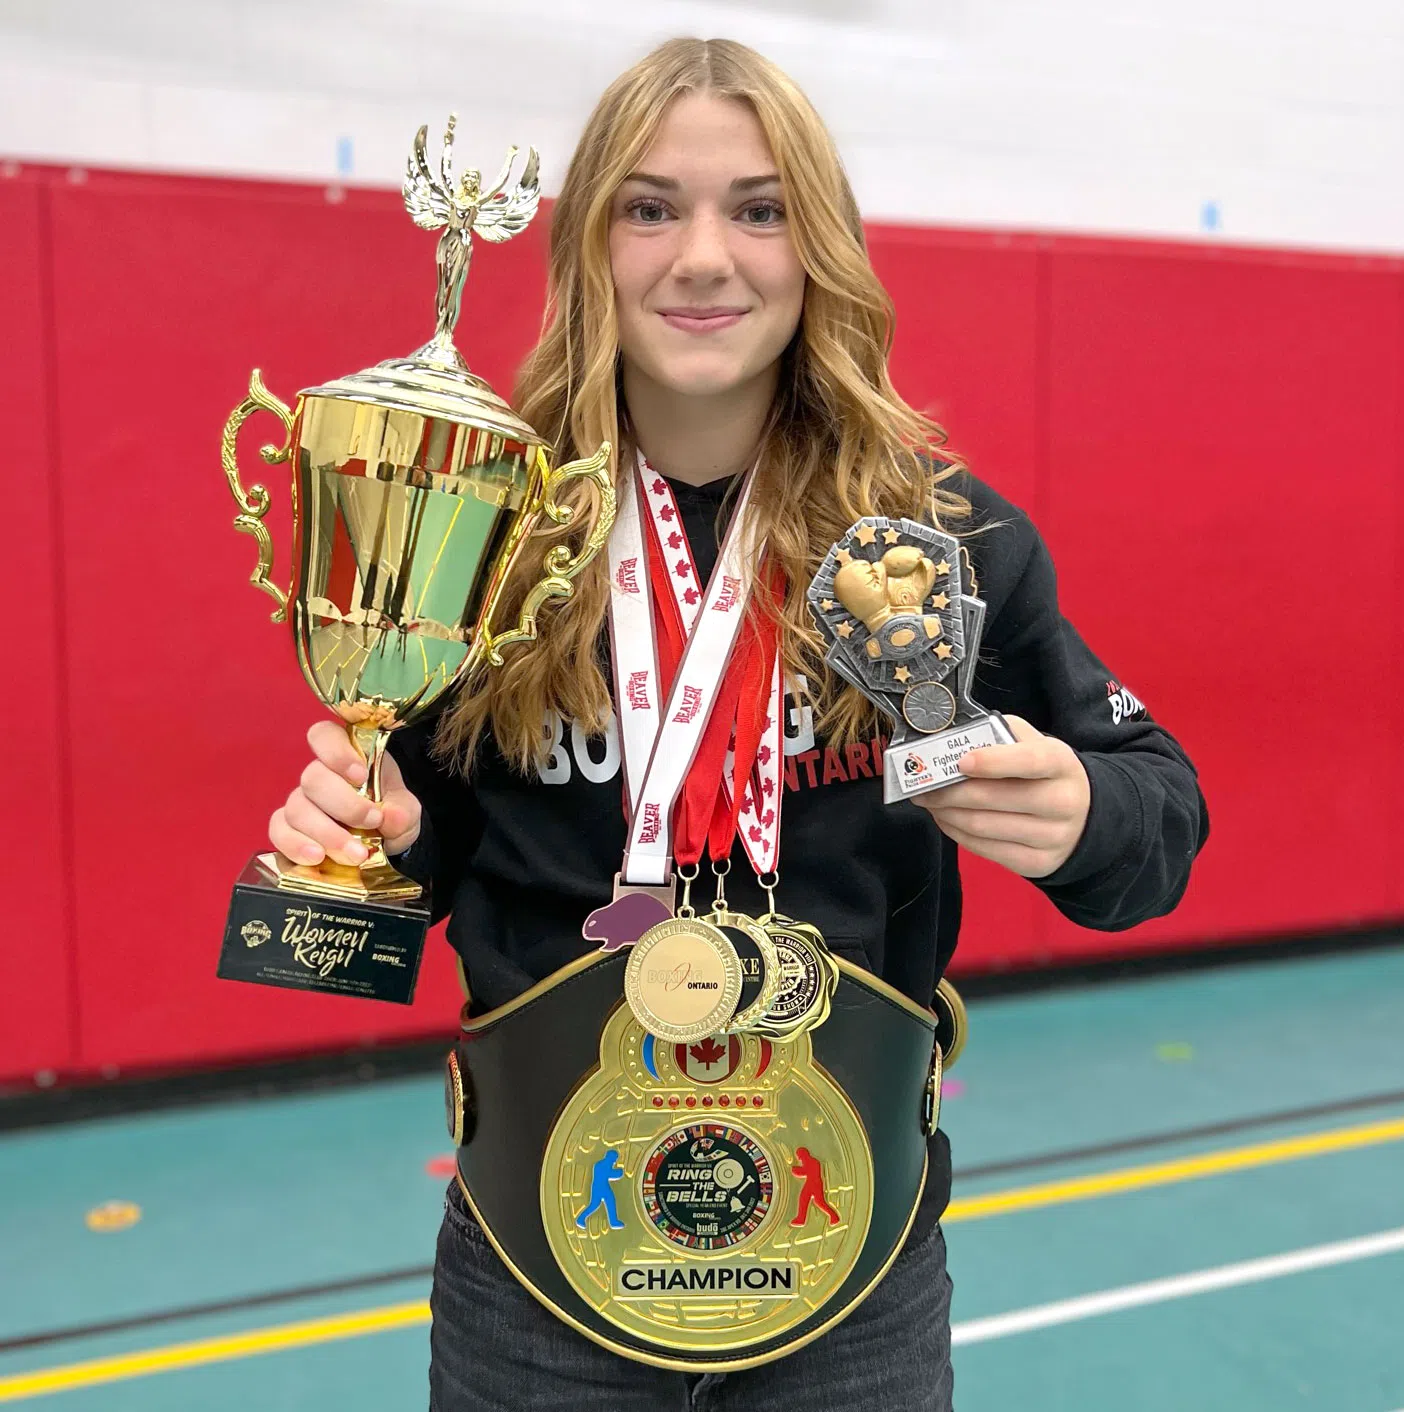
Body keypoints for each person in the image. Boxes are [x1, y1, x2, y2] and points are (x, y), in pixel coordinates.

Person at [267, 36, 1208, 1412]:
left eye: (758, 209)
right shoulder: (486, 528)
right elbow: (394, 906)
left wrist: (1080, 814)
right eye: (650, 207)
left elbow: (1157, 830)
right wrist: (370, 847)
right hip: (539, 1279)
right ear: (590, 243)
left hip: (853, 1278)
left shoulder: (938, 541)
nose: (704, 256)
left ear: (817, 243)